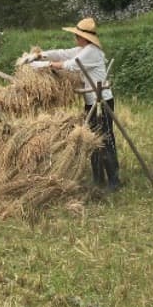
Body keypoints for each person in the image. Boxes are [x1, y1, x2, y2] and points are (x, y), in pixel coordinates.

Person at [38, 17, 122, 192]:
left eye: (77, 35)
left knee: (106, 138)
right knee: (90, 138)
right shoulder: (83, 49)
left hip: (102, 101)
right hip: (90, 101)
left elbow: (70, 64)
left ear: (85, 37)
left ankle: (114, 180)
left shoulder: (92, 51)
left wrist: (47, 64)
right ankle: (98, 178)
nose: (75, 38)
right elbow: (64, 53)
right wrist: (41, 55)